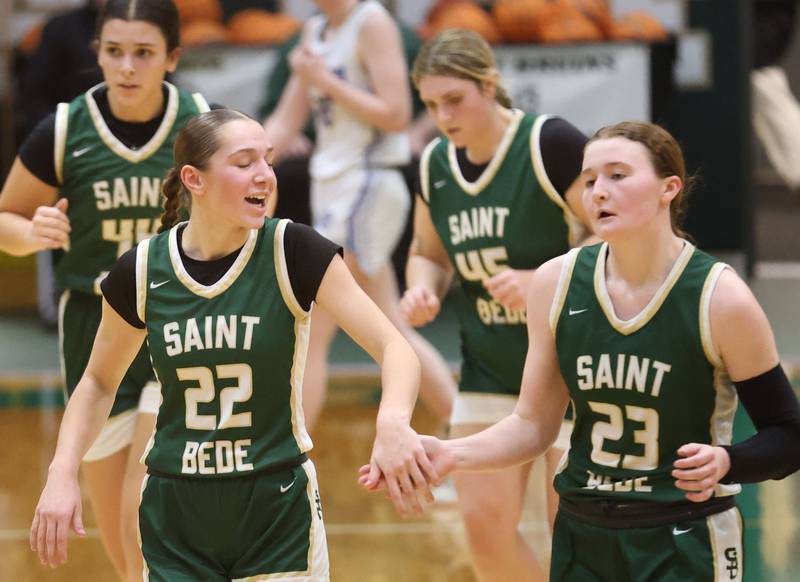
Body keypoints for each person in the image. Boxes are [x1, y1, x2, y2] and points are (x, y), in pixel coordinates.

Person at [366, 120, 800, 581]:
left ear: (668, 188)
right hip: (584, 532)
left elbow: (788, 435)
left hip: (683, 533)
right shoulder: (556, 282)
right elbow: (533, 424)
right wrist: (452, 453)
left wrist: (730, 461)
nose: (598, 191)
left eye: (617, 175)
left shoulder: (720, 299)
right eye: (590, 179)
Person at [29, 108, 436, 580]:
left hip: (275, 506)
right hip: (175, 510)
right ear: (194, 180)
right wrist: (62, 472)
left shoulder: (295, 252)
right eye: (244, 163)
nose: (264, 175)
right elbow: (98, 382)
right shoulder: (142, 270)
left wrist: (392, 423)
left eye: (267, 160)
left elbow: (394, 346)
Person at [0, 1, 210, 579]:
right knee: (123, 548)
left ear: (172, 57)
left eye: (143, 53)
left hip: (178, 323)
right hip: (93, 331)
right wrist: (32, 232)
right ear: (97, 53)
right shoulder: (65, 129)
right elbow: (7, 219)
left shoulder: (199, 126)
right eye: (114, 51)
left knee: (144, 511)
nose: (127, 67)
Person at [397, 28, 592, 582]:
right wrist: (423, 286)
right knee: (484, 533)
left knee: (571, 537)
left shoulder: (549, 143)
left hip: (567, 369)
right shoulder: (435, 162)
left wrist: (542, 280)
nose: (442, 115)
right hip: (487, 364)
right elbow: (425, 250)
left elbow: (610, 232)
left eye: (454, 99)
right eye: (431, 104)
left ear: (490, 85)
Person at [263, 0, 456, 429]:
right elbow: (285, 121)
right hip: (336, 187)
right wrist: (238, 160)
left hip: (368, 182)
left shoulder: (372, 22)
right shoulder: (314, 32)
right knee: (391, 329)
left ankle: (293, 455)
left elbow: (397, 114)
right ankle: (463, 433)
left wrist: (324, 81)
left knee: (312, 328)